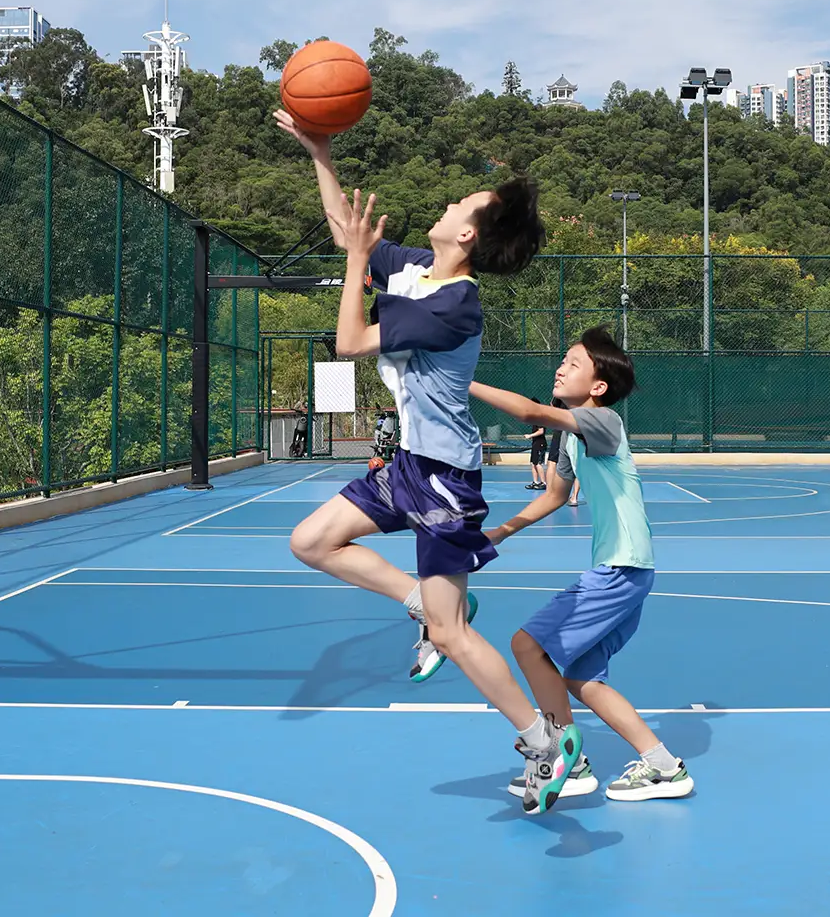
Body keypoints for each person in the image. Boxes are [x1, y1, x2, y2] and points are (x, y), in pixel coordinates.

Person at [277, 108, 580, 814]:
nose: (447, 203)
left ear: (468, 234)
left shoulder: (455, 306)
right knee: (311, 542)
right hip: (409, 464)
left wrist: (357, 261)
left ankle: (545, 740)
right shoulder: (417, 269)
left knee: (451, 634)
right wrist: (320, 153)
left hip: (444, 478)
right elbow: (345, 231)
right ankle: (422, 602)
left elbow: (350, 342)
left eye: (461, 203)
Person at [469, 327, 696, 804]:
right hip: (628, 570)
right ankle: (664, 768)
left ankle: (561, 757)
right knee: (581, 679)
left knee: (527, 644)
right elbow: (555, 495)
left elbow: (530, 412)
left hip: (621, 568)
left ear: (598, 386)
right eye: (563, 360)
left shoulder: (603, 421)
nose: (560, 368)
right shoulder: (571, 436)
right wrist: (500, 532)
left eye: (573, 364)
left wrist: (458, 381)